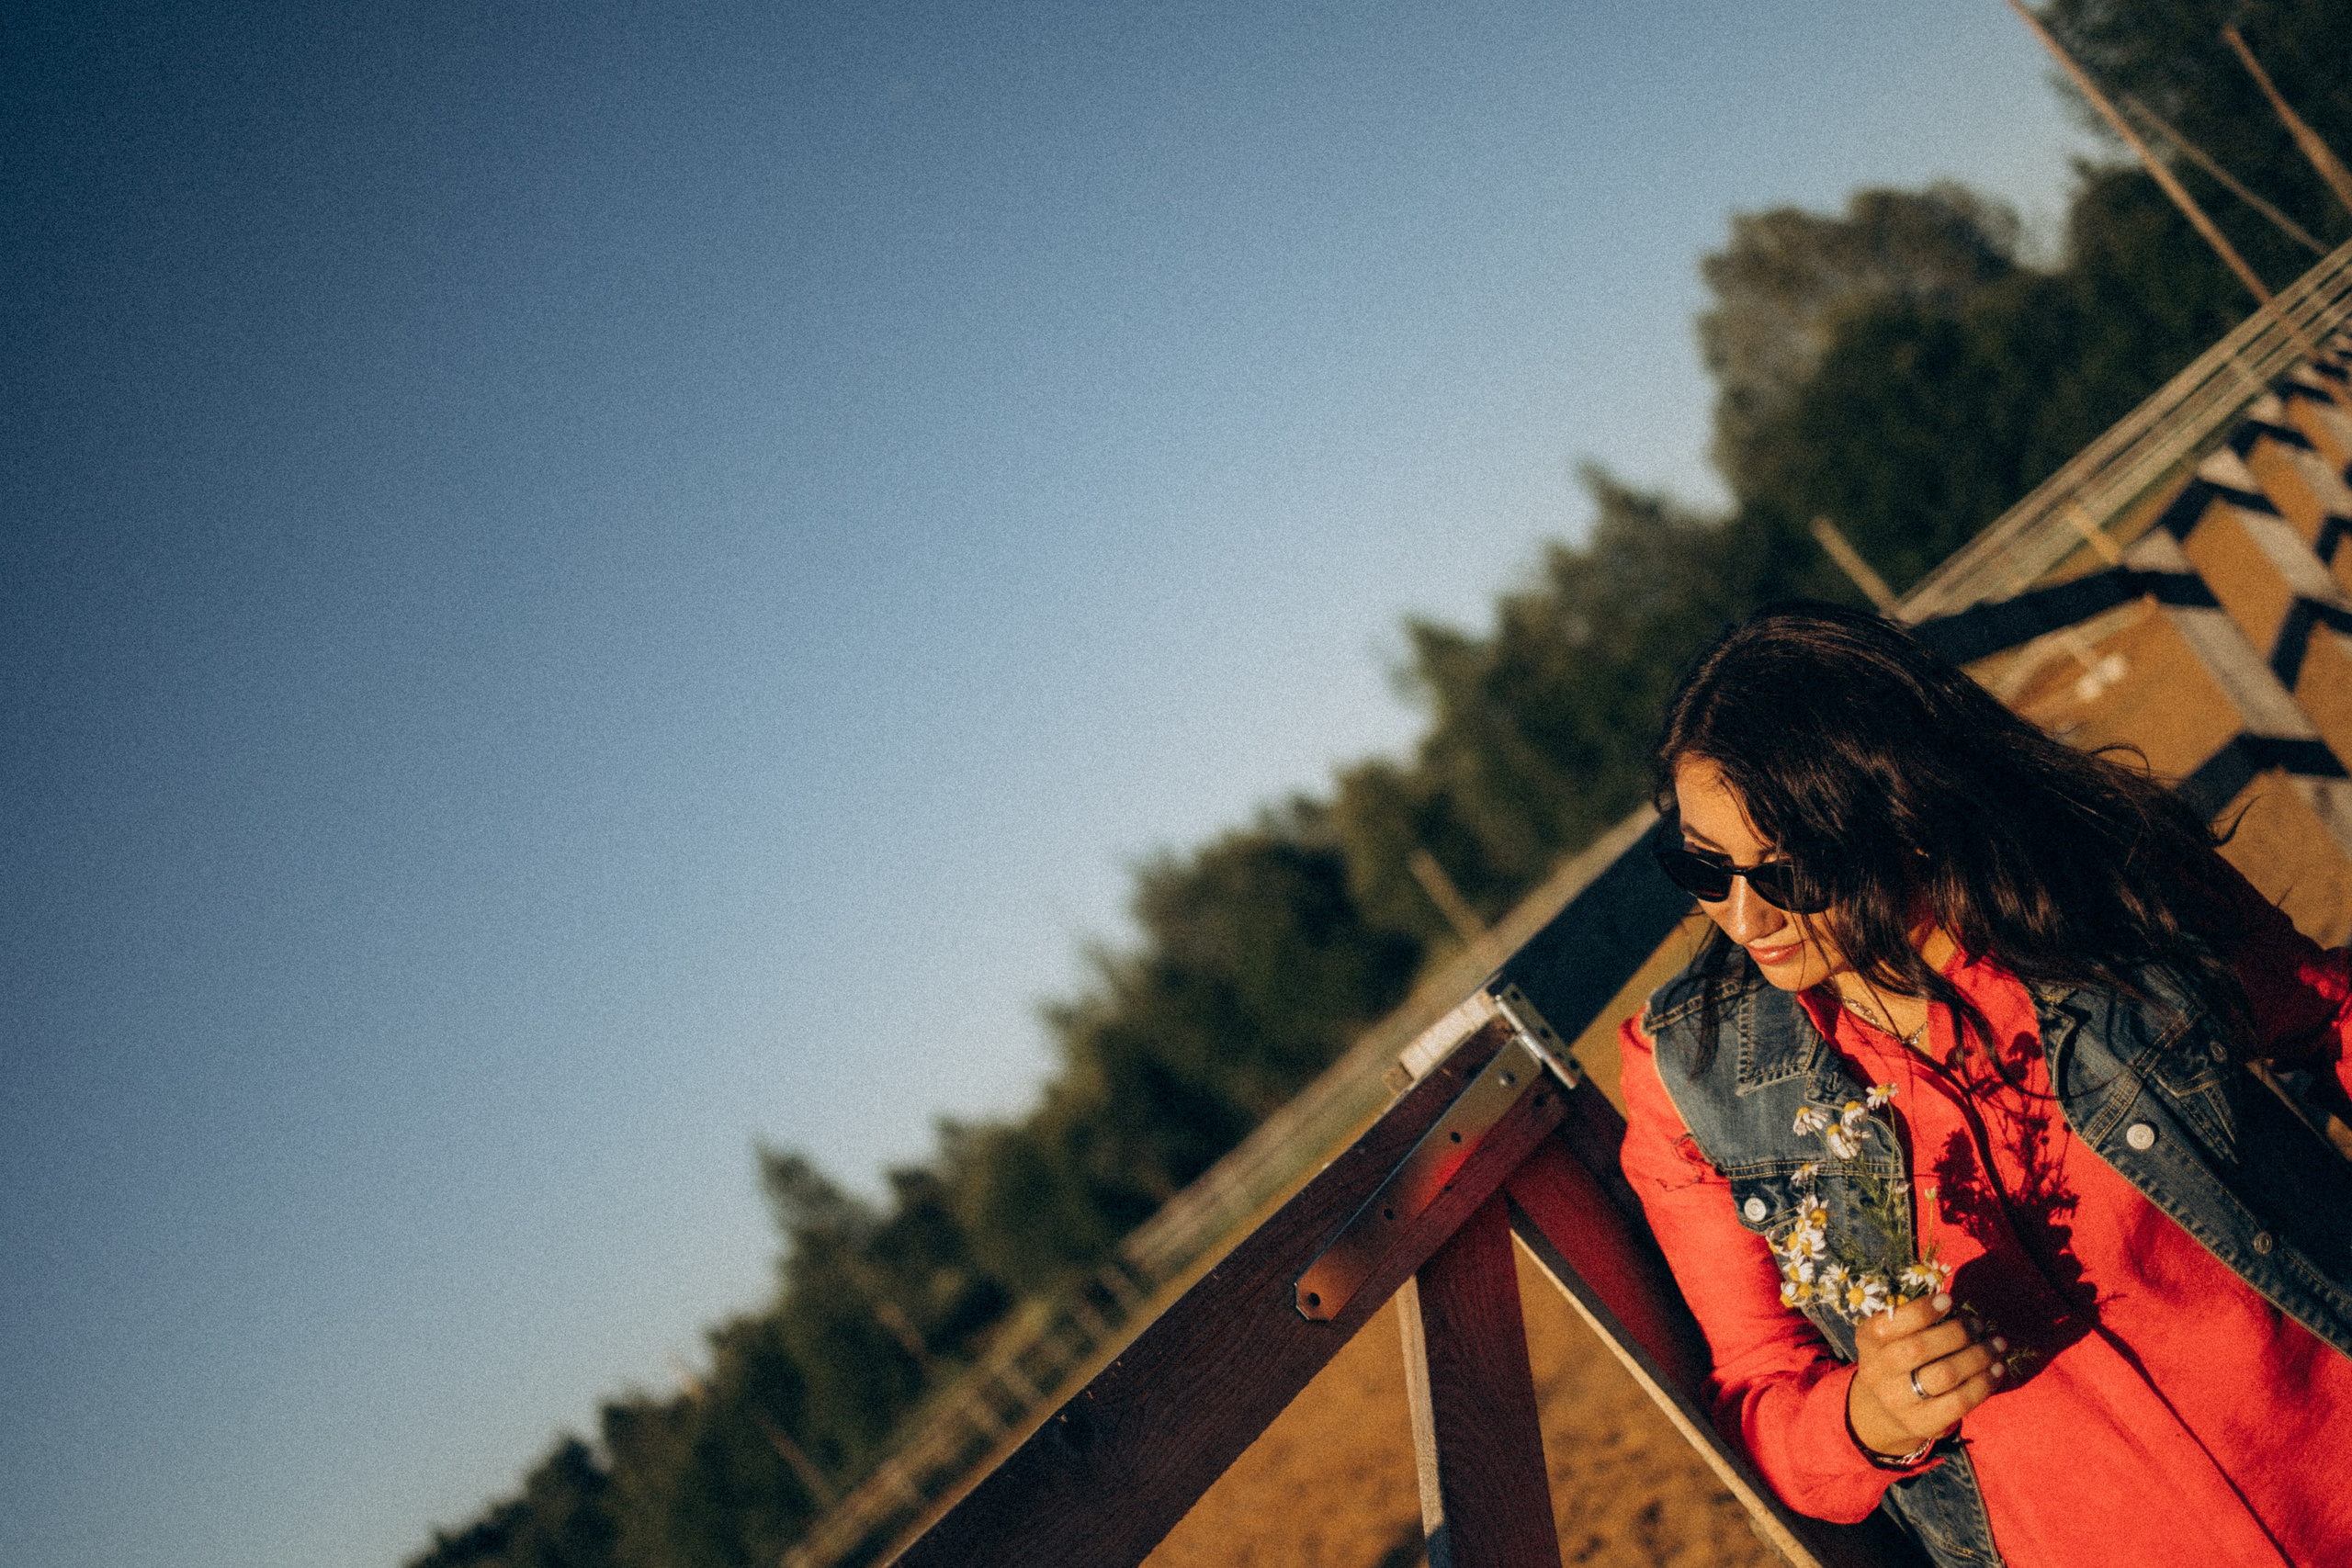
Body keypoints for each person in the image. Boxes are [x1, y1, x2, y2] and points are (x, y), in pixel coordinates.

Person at [1616, 602, 2352, 1568]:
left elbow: (2323, 1015)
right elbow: (1760, 1388)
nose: (1745, 918)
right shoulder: (1690, 1077)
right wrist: (1869, 1416)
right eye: (1702, 868)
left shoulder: (2100, 883)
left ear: (1905, 817)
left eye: (1789, 872)